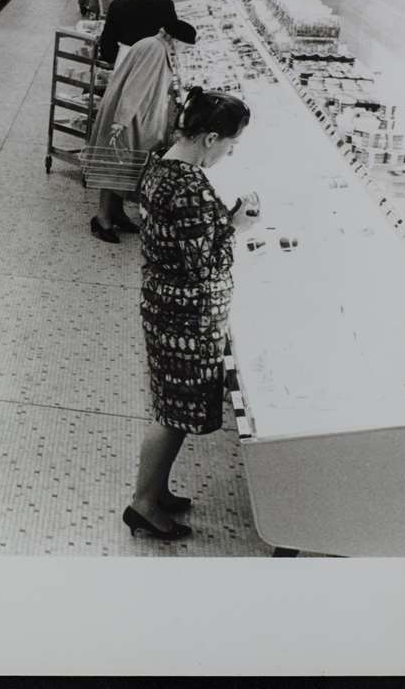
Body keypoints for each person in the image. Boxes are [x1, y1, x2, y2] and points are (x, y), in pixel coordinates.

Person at [125, 89, 256, 541]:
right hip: (186, 316)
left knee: (171, 406)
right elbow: (205, 263)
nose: (230, 152)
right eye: (230, 144)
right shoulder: (189, 186)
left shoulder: (164, 165)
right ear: (210, 138)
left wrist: (220, 222)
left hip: (165, 305)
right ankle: (143, 504)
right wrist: (236, 226)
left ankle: (156, 490)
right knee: (171, 414)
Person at [86, 27, 194, 244]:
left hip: (137, 116)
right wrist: (121, 122)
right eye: (185, 45)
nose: (183, 50)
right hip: (129, 118)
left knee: (125, 169)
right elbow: (135, 88)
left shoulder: (156, 46)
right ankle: (102, 219)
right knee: (115, 167)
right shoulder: (154, 50)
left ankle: (116, 213)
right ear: (175, 39)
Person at [98, 0, 186, 66]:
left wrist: (113, 59)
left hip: (126, 58)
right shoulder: (166, 4)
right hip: (154, 61)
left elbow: (107, 41)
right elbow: (173, 39)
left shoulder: (117, 4)